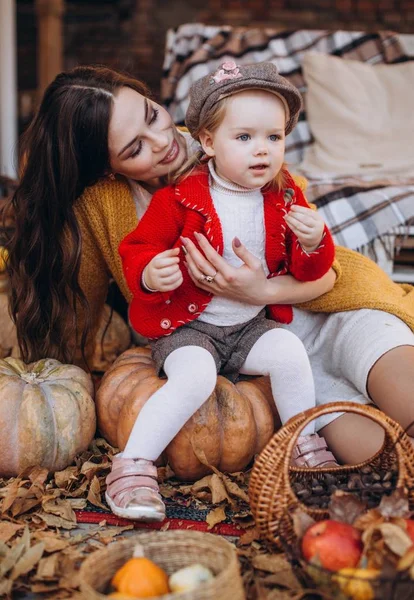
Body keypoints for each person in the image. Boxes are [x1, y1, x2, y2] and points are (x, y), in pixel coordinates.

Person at [6, 65, 414, 499]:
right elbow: (80, 307)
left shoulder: (230, 133)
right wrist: (54, 391)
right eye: (135, 147)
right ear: (106, 168)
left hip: (333, 312)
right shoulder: (102, 206)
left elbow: (326, 275)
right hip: (273, 359)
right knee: (389, 466)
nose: (162, 142)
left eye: (151, 115)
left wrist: (261, 291)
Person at [113, 61, 338, 520]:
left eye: (273, 138)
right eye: (244, 138)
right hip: (189, 327)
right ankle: (132, 467)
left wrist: (315, 241)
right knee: (194, 377)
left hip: (248, 326)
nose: (262, 151)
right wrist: (148, 275)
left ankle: (301, 445)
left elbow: (308, 267)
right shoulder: (179, 198)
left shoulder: (286, 193)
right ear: (209, 143)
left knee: (290, 354)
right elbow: (138, 247)